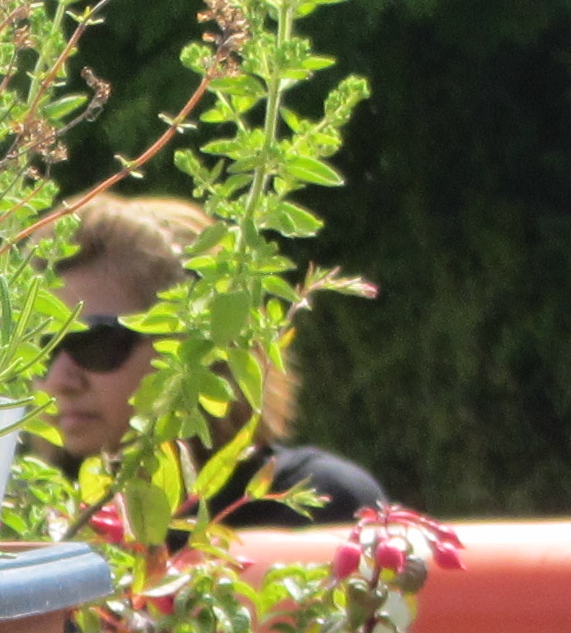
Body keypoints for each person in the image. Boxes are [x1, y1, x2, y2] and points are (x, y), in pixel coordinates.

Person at [40, 192, 386, 527]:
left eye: (96, 342)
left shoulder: (315, 501)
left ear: (200, 349)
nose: (59, 380)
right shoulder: (37, 518)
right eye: (41, 346)